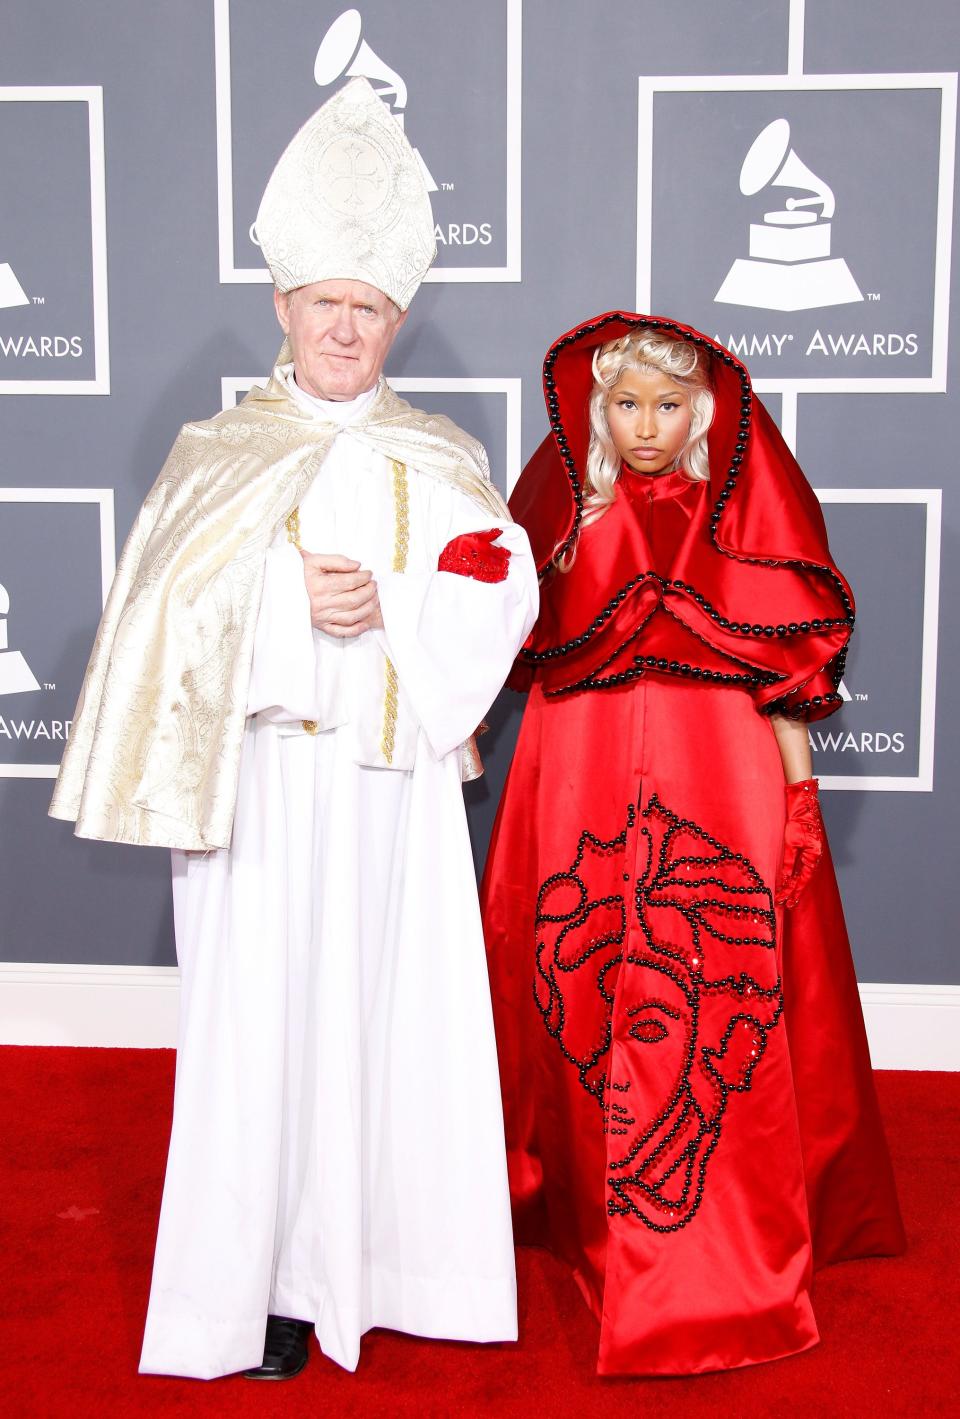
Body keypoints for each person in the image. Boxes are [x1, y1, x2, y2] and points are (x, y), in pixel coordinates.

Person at [50, 78, 538, 1381]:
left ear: (395, 316)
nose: (346, 328)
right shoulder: (218, 452)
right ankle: (259, 1290)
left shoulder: (438, 452)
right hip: (257, 790)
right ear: (285, 306)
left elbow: (507, 580)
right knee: (261, 1042)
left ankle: (384, 1270)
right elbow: (157, 611)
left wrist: (402, 598)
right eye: (327, 302)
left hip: (388, 793)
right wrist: (278, 599)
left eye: (369, 308)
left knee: (391, 1028)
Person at [481, 312, 905, 1376]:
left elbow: (782, 668)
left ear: (705, 413)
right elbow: (501, 650)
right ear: (596, 410)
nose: (647, 426)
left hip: (719, 782)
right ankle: (560, 1192)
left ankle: (733, 1240)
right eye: (626, 404)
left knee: (721, 993)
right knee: (575, 980)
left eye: (669, 405)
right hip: (575, 776)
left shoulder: (738, 518)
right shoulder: (565, 523)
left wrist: (799, 798)